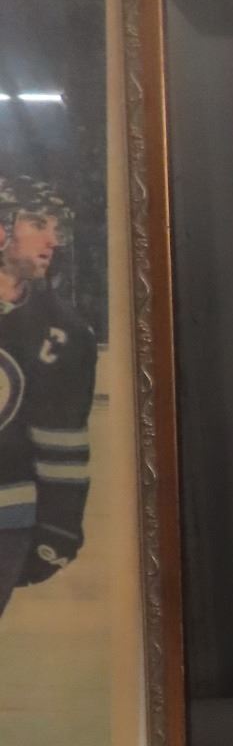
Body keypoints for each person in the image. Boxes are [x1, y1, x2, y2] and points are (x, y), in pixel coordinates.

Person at [0, 176, 96, 616]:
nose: (52, 240)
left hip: (7, 518)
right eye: (39, 223)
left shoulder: (65, 333)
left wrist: (60, 527)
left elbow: (63, 444)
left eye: (57, 228)